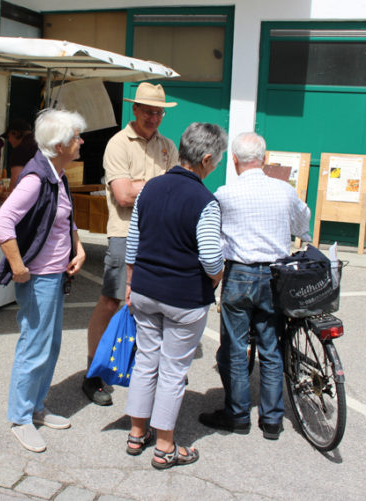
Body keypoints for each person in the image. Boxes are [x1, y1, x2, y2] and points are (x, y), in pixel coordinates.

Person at [124, 122, 226, 470]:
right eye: (216, 161)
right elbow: (211, 256)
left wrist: (129, 283)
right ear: (206, 158)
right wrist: (218, 277)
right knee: (172, 370)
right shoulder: (205, 201)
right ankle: (165, 445)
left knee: (145, 360)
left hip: (145, 290)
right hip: (184, 297)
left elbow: (133, 242)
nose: (216, 166)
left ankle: (137, 432)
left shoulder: (151, 187)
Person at [199, 132, 311, 440]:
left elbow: (215, 238)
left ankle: (237, 415)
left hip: (239, 274)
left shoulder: (224, 194)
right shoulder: (283, 190)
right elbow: (304, 222)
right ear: (264, 158)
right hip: (276, 276)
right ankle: (272, 420)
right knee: (270, 346)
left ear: (234, 160)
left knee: (236, 347)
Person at [0, 109, 87, 453]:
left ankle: (35, 407)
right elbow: (2, 224)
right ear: (60, 144)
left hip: (54, 274)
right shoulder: (36, 178)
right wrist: (18, 266)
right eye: (76, 136)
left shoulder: (56, 174)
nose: (81, 141)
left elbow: (65, 217)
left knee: (50, 345)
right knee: (35, 345)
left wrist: (78, 248)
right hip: (40, 277)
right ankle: (20, 417)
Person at [83, 82, 179, 405]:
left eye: (158, 112)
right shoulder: (117, 144)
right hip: (124, 234)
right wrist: (161, 184)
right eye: (148, 111)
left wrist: (147, 186)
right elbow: (123, 196)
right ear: (134, 110)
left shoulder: (168, 146)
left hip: (159, 235)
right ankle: (93, 373)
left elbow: (174, 191)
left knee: (153, 306)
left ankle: (141, 370)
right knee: (112, 302)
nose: (154, 117)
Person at [3, 117, 37, 187]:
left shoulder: (20, 150)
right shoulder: (42, 143)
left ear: (15, 133)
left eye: (8, 137)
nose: (9, 140)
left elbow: (16, 182)